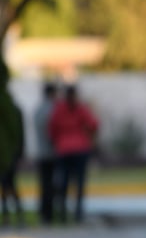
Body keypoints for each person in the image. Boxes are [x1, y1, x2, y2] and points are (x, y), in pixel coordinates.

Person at [49, 84, 99, 223]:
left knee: (63, 182)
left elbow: (52, 128)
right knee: (80, 182)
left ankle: (63, 213)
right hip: (80, 148)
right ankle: (78, 212)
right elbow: (94, 124)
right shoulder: (80, 108)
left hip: (64, 149)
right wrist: (88, 135)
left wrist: (57, 141)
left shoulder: (59, 109)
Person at [0, 72, 25, 227]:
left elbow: (18, 134)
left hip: (10, 154)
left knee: (9, 185)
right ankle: (9, 215)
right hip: (7, 154)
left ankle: (15, 215)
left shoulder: (12, 111)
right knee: (6, 186)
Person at [34, 82, 58, 224]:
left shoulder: (38, 109)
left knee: (44, 184)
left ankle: (44, 213)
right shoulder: (53, 110)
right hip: (52, 153)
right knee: (52, 185)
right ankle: (49, 214)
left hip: (41, 152)